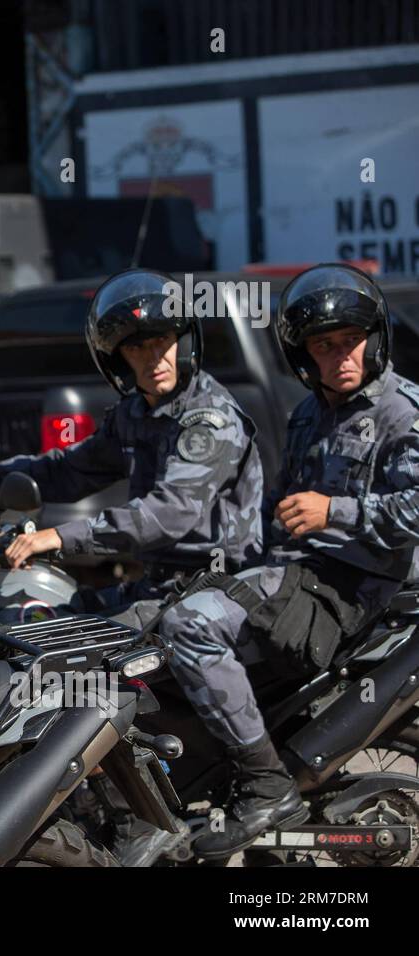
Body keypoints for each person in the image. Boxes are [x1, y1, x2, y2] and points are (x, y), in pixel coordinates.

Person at [155, 263, 419, 860]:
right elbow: (280, 510)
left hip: (352, 593)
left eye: (351, 341)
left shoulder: (403, 414)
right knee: (153, 621)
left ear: (374, 339)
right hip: (300, 577)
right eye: (325, 346)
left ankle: (267, 785)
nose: (342, 356)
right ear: (305, 358)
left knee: (190, 626)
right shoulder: (309, 414)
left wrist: (336, 512)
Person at [0, 268, 263, 619]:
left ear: (184, 342)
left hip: (216, 591)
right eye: (137, 347)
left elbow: (169, 513)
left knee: (88, 655)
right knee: (23, 616)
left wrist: (59, 536)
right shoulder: (135, 414)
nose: (153, 357)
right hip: (158, 585)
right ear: (118, 360)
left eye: (162, 340)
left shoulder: (209, 418)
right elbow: (67, 471)